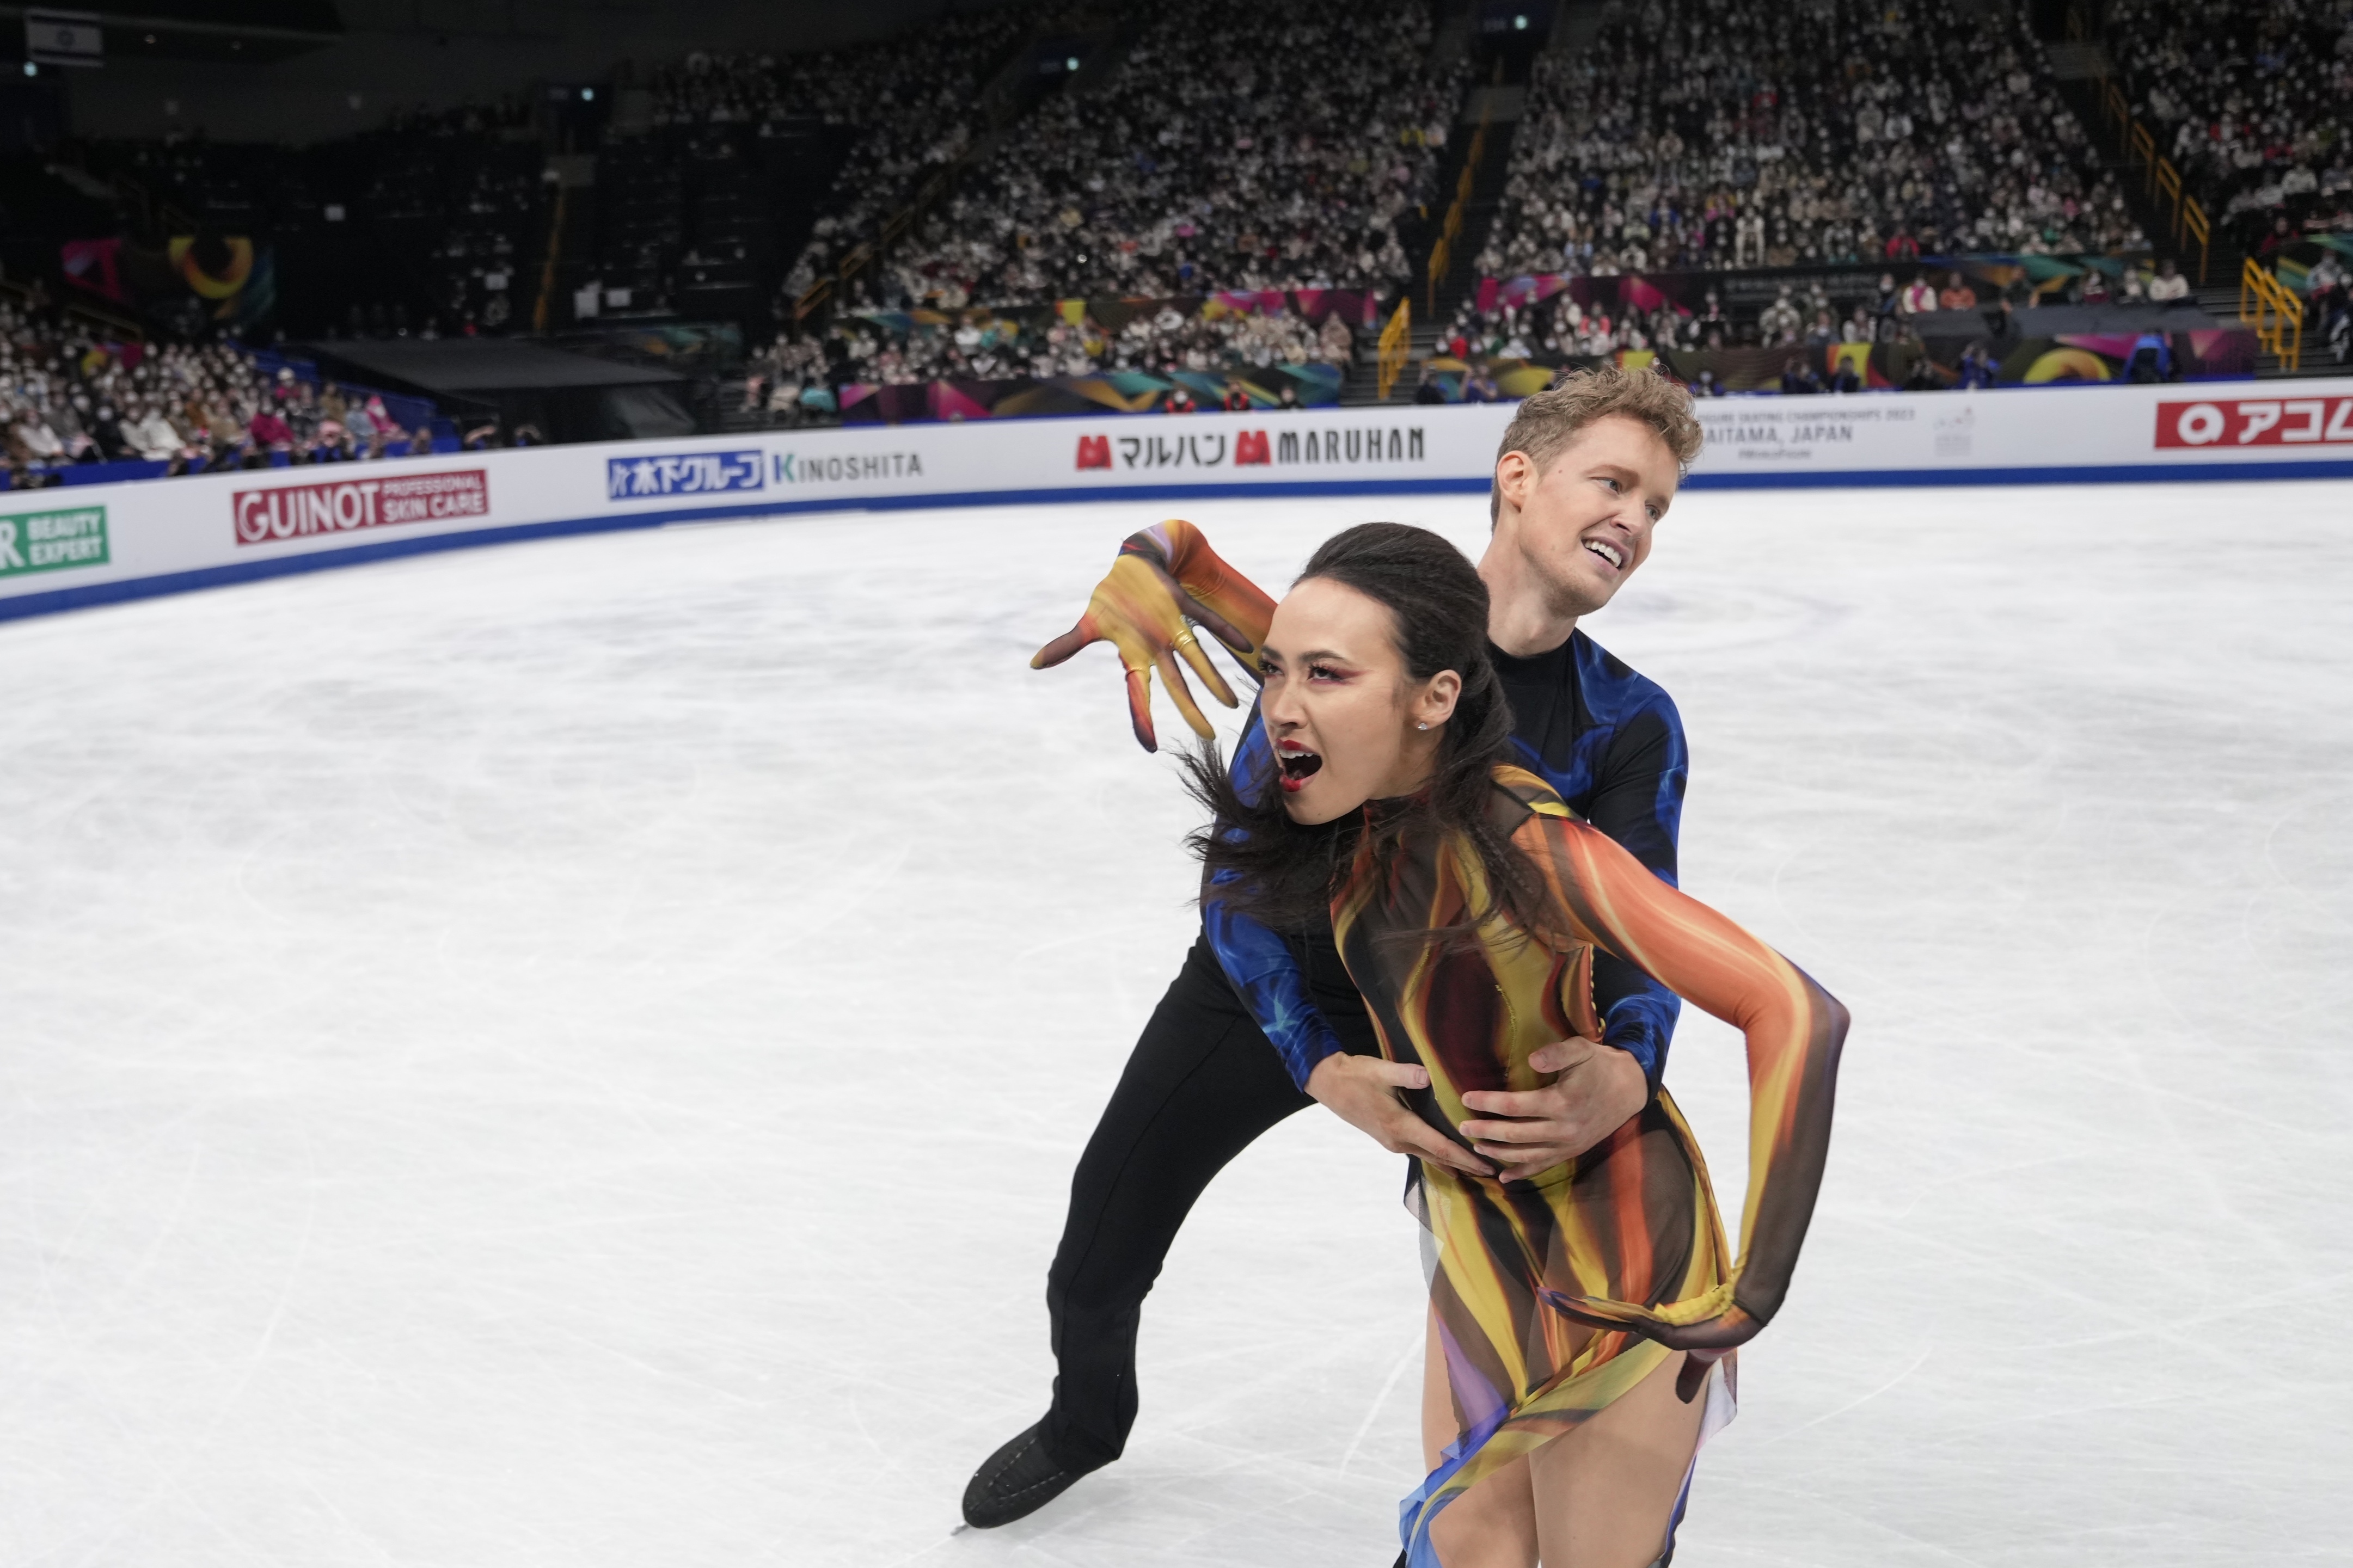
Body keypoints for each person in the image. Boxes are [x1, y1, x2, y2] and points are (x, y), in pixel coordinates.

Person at [966, 370, 1707, 1528]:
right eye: (1613, 482)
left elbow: (1641, 927)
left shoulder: (1627, 719)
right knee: (1096, 1248)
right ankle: (1084, 1418)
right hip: (1272, 978)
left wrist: (1629, 1060)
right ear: (1517, 478)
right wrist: (1314, 1058)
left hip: (1459, 1019)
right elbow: (1242, 870)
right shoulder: (1362, 622)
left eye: (1658, 505)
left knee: (1506, 1352)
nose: (1635, 520)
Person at [1180, 522, 1847, 1567]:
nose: (1279, 709)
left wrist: (1752, 1290)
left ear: (1433, 699)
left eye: (1321, 676)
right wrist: (1163, 556)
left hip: (1615, 1245)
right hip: (1479, 1222)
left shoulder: (1529, 840)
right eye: (1274, 673)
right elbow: (1302, 637)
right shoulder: (1361, 776)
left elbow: (1796, 1011)